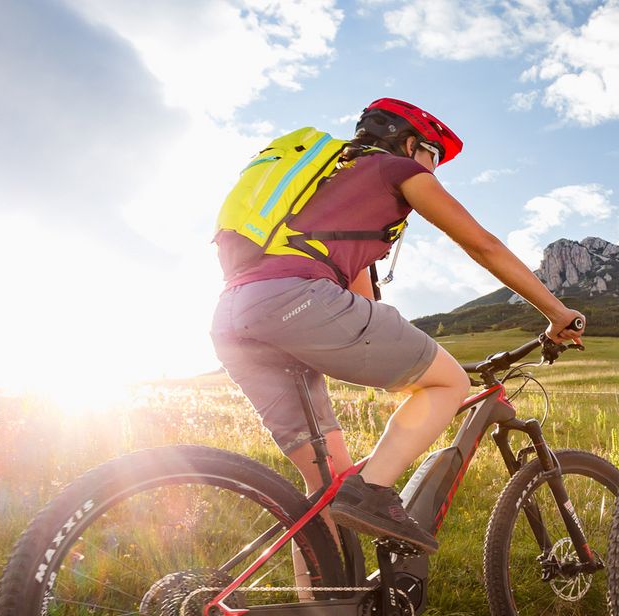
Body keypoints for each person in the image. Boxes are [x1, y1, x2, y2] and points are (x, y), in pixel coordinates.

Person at [211, 98, 585, 554]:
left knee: (325, 492)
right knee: (448, 382)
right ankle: (371, 493)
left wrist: (411, 353)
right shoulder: (394, 169)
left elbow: (361, 310)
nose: (435, 171)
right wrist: (557, 313)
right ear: (410, 144)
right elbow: (482, 244)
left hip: (234, 314)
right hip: (297, 297)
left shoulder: (322, 189)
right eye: (433, 156)